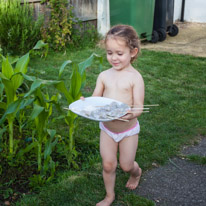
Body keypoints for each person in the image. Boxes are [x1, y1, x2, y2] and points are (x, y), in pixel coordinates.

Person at [89, 24, 144, 206]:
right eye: (109, 52)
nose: (114, 58)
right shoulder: (104, 76)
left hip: (127, 130)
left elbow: (139, 108)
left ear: (133, 52)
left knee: (126, 165)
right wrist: (86, 103)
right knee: (108, 165)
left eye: (119, 53)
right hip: (107, 129)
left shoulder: (135, 78)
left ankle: (136, 173)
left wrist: (129, 114)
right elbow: (96, 99)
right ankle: (109, 196)